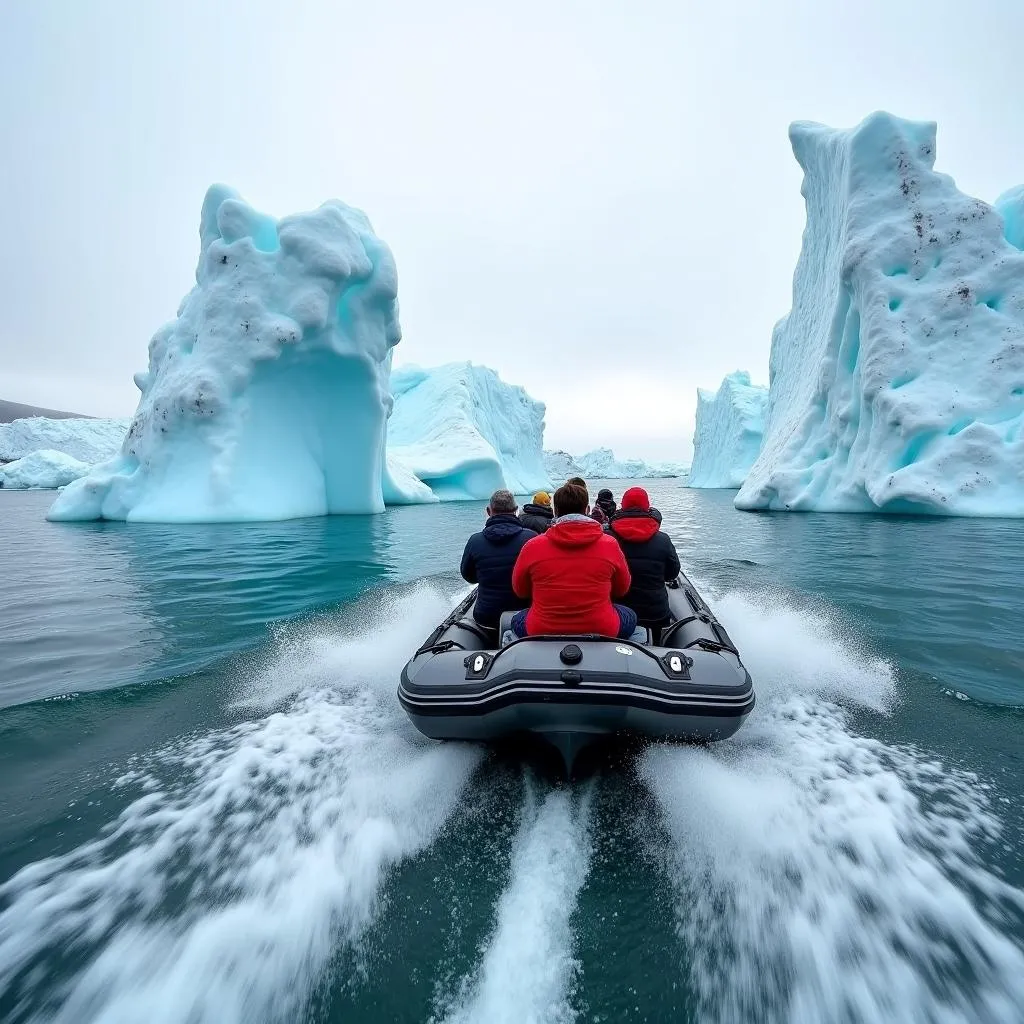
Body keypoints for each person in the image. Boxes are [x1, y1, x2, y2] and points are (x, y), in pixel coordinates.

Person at [510, 482, 637, 639]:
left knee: (516, 619)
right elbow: (622, 589)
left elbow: (520, 591)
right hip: (602, 628)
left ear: (555, 511)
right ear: (587, 510)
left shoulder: (533, 546)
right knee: (629, 614)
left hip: (541, 629)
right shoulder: (610, 544)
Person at [607, 486, 681, 633]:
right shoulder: (663, 539)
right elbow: (672, 574)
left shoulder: (608, 539)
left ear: (622, 506)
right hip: (656, 615)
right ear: (648, 507)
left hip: (619, 613)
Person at [460, 489, 536, 629]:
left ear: (489, 511)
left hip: (486, 617)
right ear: (516, 510)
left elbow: (469, 576)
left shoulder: (475, 541)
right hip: (524, 614)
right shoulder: (531, 538)